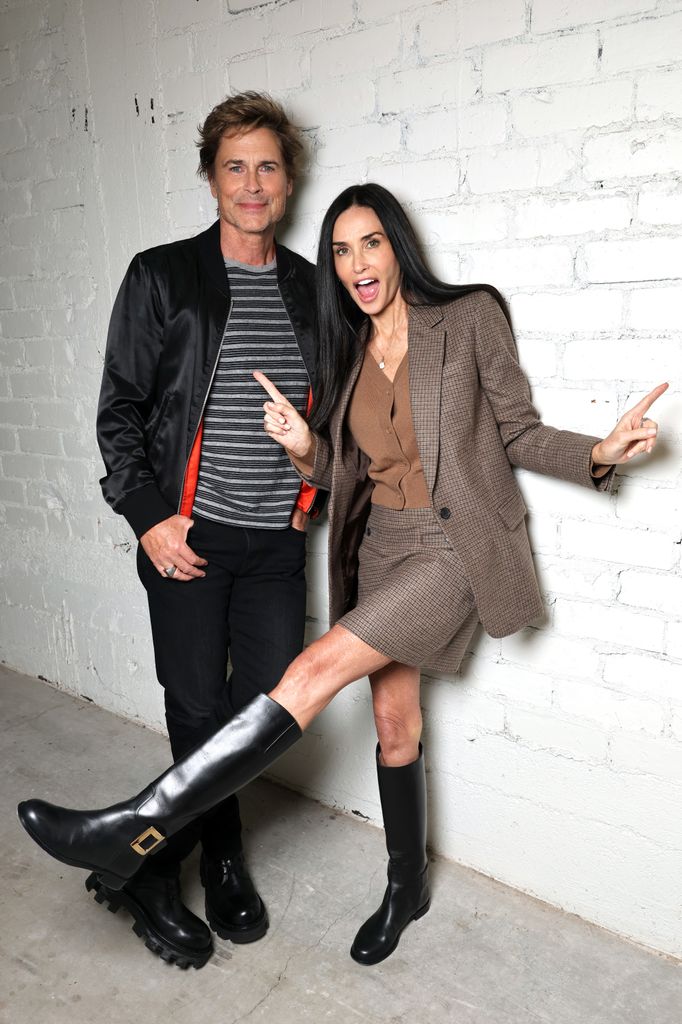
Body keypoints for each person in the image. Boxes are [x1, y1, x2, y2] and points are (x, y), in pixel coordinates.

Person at [18, 184, 667, 968]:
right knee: (396, 727)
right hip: (380, 548)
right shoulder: (342, 348)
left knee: (312, 669)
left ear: (398, 246)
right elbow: (344, 472)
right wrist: (300, 444)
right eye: (340, 251)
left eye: (371, 243)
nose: (357, 264)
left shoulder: (468, 318)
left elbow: (517, 433)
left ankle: (131, 830)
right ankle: (407, 885)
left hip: (452, 548)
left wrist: (598, 452)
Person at [88, 92, 323, 969]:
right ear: (210, 177)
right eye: (235, 166)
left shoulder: (312, 290)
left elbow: (330, 425)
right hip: (189, 534)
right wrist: (148, 519)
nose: (252, 184)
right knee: (194, 708)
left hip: (276, 541)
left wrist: (312, 463)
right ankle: (214, 858)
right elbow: (120, 413)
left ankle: (139, 858)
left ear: (288, 180)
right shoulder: (162, 275)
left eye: (268, 165)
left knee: (261, 715)